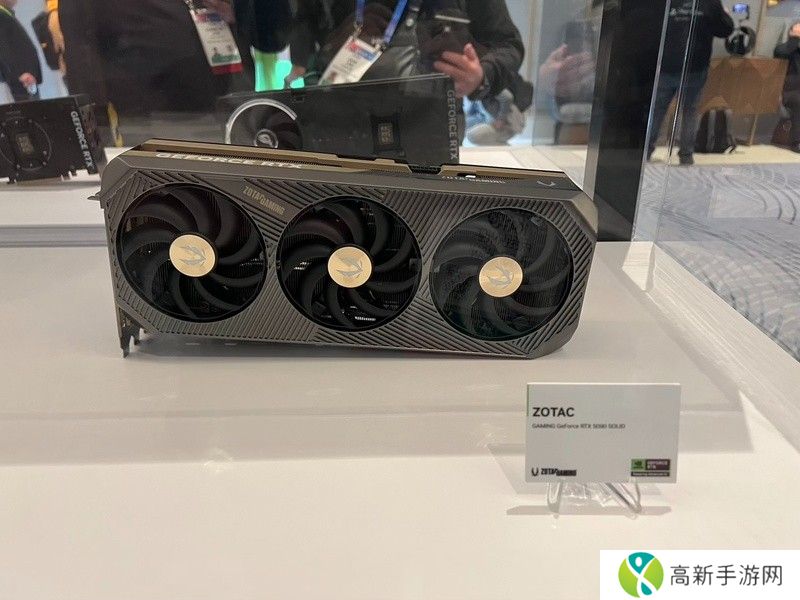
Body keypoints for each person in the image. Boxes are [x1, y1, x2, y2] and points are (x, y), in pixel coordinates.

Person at [648, 0, 733, 166]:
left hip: (668, 64)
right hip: (696, 65)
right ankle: (686, 155)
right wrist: (725, 15)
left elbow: (653, 27)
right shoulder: (710, 3)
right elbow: (724, 29)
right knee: (690, 112)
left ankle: (646, 151)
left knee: (657, 110)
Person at [0, 0, 43, 101]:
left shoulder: (6, 13)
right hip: (23, 79)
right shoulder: (2, 16)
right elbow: (4, 50)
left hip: (26, 78)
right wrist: (18, 74)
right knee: (30, 109)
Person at [774, 20, 800, 154]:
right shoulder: (785, 49)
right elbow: (780, 52)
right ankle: (797, 142)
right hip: (788, 91)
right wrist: (794, 40)